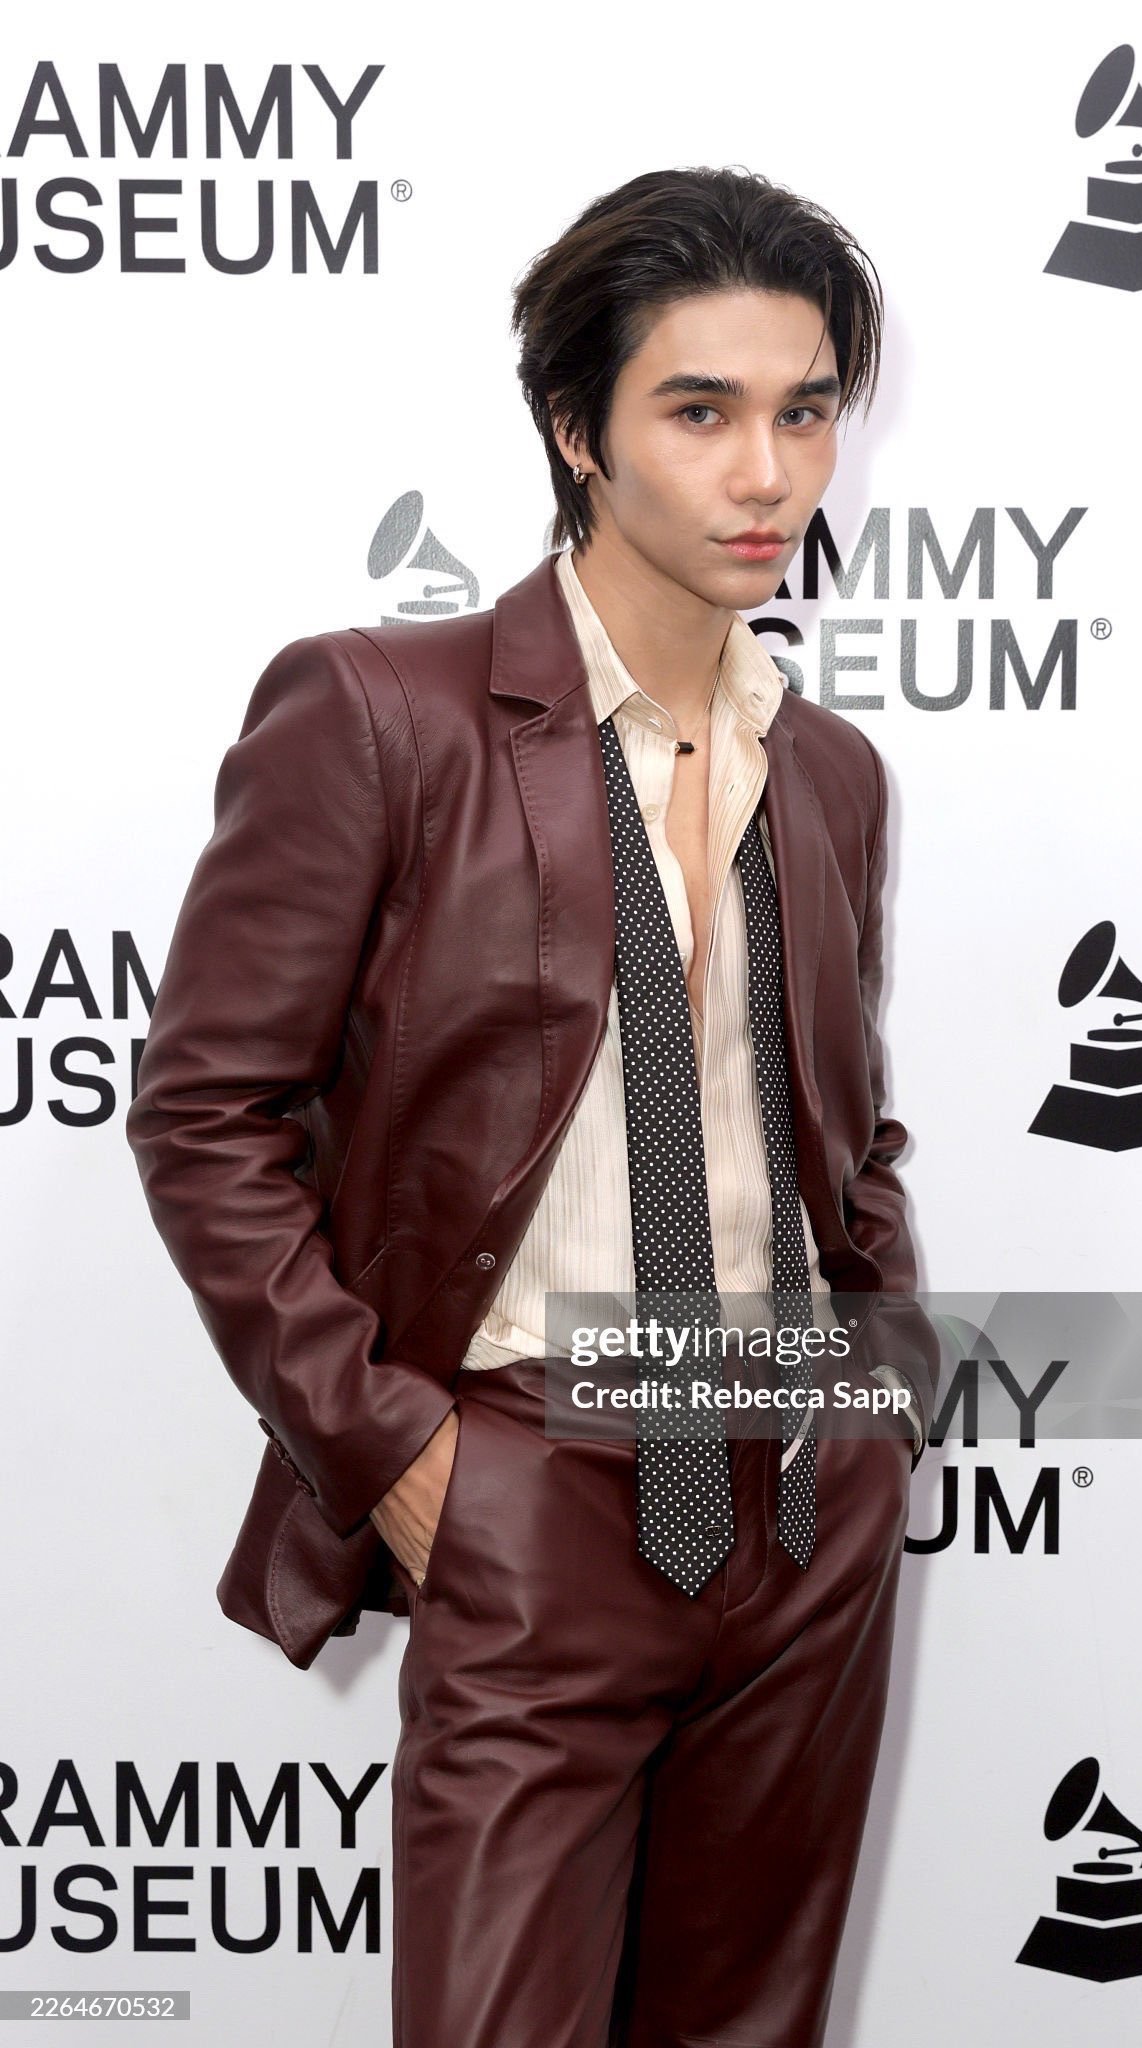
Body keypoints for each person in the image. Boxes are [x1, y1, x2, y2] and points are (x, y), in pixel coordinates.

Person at [126, 164, 940, 2048]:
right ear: (576, 428)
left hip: (797, 1493)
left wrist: (873, 1398)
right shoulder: (382, 715)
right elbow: (206, 1117)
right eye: (699, 411)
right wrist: (406, 1457)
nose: (765, 475)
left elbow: (845, 1137)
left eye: (805, 411)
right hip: (531, 1484)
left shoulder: (829, 773)